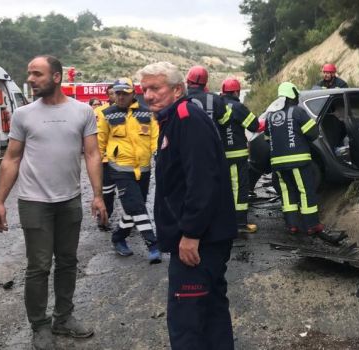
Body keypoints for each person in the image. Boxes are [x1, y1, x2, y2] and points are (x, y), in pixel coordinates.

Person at [0, 55, 107, 350]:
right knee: (39, 266)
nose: (30, 79)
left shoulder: (82, 111)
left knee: (68, 262)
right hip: (34, 202)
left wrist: (97, 195)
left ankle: (63, 318)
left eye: (37, 74)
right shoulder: (24, 115)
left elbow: (92, 154)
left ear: (56, 77)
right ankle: (39, 326)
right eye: (29, 73)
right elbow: (11, 158)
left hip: (69, 201)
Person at [138, 62, 237, 349]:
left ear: (178, 89)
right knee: (211, 310)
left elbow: (203, 180)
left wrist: (191, 234)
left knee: (188, 319)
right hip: (204, 237)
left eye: (155, 88)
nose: (148, 95)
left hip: (200, 241)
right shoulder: (174, 119)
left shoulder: (187, 118)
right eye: (145, 89)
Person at [96, 77, 161, 263]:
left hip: (144, 168)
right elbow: (100, 142)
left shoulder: (147, 113)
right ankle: (153, 244)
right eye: (117, 93)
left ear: (133, 93)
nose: (121, 96)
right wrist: (99, 166)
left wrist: (157, 153)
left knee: (133, 207)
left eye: (124, 92)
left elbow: (154, 137)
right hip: (120, 168)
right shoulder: (107, 114)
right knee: (138, 206)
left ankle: (118, 237)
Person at [264, 82, 325, 234]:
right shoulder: (298, 112)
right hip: (298, 161)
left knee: (287, 192)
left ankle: (292, 225)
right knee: (305, 191)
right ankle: (311, 225)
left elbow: (267, 138)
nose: (297, 98)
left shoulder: (270, 116)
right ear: (292, 95)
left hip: (277, 164)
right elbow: (312, 133)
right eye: (296, 95)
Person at [219, 78, 261, 233]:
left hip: (220, 155)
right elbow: (254, 125)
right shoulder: (237, 107)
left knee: (225, 187)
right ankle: (240, 223)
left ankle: (225, 220)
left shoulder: (217, 105)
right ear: (236, 92)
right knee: (240, 188)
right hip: (237, 155)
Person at [94, 84, 116, 229]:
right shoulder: (100, 111)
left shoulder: (131, 112)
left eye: (118, 92)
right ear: (108, 95)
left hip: (126, 160)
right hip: (107, 160)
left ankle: (132, 220)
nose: (116, 96)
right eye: (112, 93)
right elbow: (98, 136)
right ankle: (102, 219)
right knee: (107, 193)